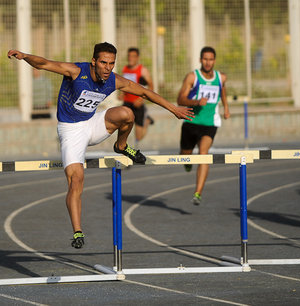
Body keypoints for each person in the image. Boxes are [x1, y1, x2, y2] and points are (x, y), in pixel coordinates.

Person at [8, 42, 193, 248]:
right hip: (71, 130)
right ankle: (78, 232)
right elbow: (43, 64)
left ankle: (121, 147)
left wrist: (173, 109)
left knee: (127, 113)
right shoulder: (76, 71)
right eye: (103, 62)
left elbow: (144, 92)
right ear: (94, 61)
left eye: (111, 63)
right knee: (76, 180)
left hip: (93, 123)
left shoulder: (112, 80)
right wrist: (24, 56)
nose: (107, 68)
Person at [177, 46, 230, 205]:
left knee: (204, 154)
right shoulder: (192, 77)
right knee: (185, 155)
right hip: (191, 122)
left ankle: (198, 192)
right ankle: (187, 162)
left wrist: (226, 107)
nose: (208, 62)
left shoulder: (221, 77)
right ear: (201, 60)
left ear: (214, 60)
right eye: (205, 59)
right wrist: (196, 102)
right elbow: (180, 100)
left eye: (211, 59)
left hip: (209, 123)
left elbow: (222, 91)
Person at [120, 47, 154, 144]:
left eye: (133, 56)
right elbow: (125, 84)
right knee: (122, 126)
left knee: (138, 136)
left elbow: (151, 86)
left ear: (137, 58)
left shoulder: (142, 70)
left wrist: (141, 99)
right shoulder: (125, 69)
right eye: (129, 56)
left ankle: (146, 122)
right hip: (127, 103)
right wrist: (122, 94)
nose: (131, 58)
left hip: (138, 104)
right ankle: (122, 146)